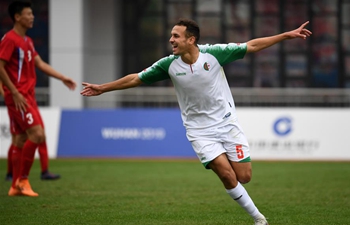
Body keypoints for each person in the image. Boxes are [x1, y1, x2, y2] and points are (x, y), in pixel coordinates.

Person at [81, 18, 311, 225]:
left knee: (244, 177)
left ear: (191, 40)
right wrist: (103, 88)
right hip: (199, 131)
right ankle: (259, 218)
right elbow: (136, 78)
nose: (171, 39)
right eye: (171, 35)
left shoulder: (215, 54)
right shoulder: (168, 64)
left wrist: (286, 35)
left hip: (227, 124)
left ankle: (241, 189)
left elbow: (251, 45)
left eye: (176, 36)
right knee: (226, 175)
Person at [0, 0, 76, 197]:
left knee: (20, 139)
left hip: (27, 96)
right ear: (17, 17)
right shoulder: (9, 39)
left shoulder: (27, 41)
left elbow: (40, 64)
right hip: (19, 97)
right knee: (38, 135)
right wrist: (14, 92)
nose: (32, 17)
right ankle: (22, 180)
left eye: (32, 14)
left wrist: (62, 77)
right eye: (28, 14)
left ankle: (15, 185)